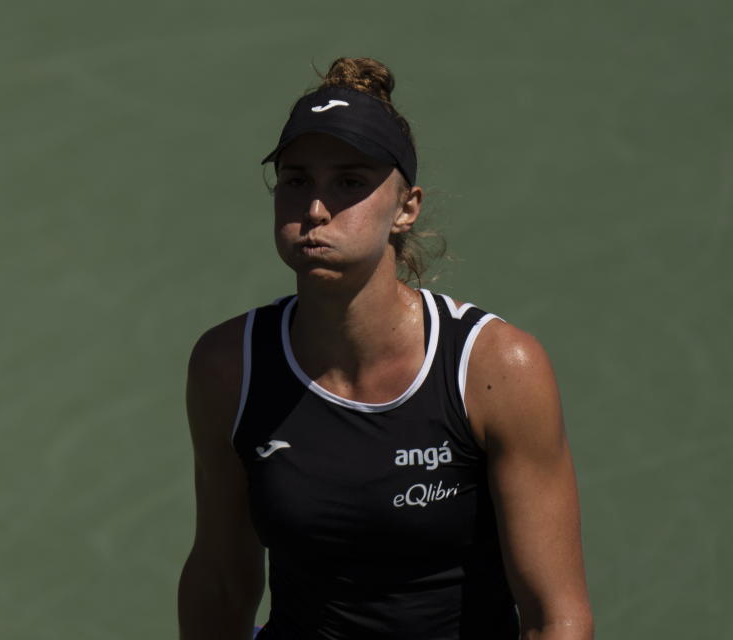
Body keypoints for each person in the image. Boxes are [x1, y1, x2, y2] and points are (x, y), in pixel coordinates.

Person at [177, 57, 593, 639]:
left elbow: (557, 618)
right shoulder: (230, 367)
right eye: (297, 180)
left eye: (349, 182)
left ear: (406, 207)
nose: (316, 210)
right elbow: (221, 580)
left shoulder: (496, 368)